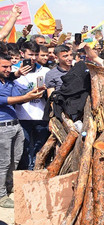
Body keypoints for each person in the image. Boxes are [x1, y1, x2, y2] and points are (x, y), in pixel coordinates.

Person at [0, 54, 44, 208]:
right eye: (4, 67)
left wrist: (35, 91)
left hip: (15, 125)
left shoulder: (9, 82)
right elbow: (5, 100)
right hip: (2, 127)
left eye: (9, 67)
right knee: (3, 162)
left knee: (15, 159)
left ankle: (9, 187)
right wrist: (26, 96)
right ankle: (1, 196)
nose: (9, 70)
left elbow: (20, 96)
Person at [12, 41, 50, 170]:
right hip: (21, 116)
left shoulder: (45, 71)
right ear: (22, 53)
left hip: (40, 115)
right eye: (30, 54)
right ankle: (25, 172)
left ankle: (37, 171)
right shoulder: (13, 70)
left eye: (36, 54)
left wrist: (44, 92)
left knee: (40, 148)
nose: (33, 58)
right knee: (24, 147)